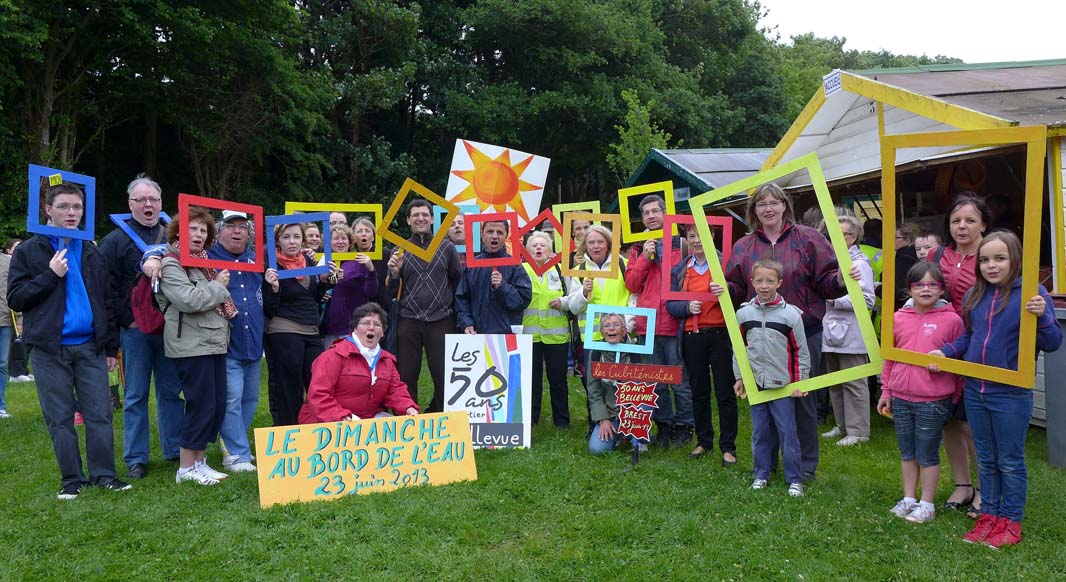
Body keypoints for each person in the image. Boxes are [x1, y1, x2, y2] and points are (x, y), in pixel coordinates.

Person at [931, 231, 1062, 547]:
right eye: (985, 260)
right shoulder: (975, 295)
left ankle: (1010, 522)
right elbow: (969, 337)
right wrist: (946, 352)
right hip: (976, 390)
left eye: (999, 259)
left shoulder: (1033, 294)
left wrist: (1043, 316)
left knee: (1010, 461)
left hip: (1011, 394)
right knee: (987, 459)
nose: (991, 265)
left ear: (1015, 259)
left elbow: (1053, 342)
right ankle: (988, 515)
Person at [721, 183, 852, 482]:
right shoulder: (743, 246)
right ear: (754, 210)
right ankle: (766, 467)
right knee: (765, 401)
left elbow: (826, 280)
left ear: (784, 206)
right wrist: (721, 288)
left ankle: (804, 469)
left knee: (802, 400)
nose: (768, 208)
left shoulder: (809, 238)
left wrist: (842, 281)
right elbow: (736, 289)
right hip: (761, 337)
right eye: (762, 204)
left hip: (805, 333)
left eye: (774, 202)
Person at [7, 182, 130, 498]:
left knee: (100, 414)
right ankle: (72, 480)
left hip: (90, 346)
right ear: (48, 209)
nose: (72, 212)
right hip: (49, 348)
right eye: (64, 206)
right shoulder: (29, 250)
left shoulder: (90, 250)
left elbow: (106, 300)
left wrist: (110, 346)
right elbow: (16, 298)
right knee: (60, 418)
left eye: (77, 207)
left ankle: (105, 476)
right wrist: (50, 274)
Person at [98, 174, 183, 479]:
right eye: (142, 199)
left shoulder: (175, 236)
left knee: (171, 390)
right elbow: (105, 290)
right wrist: (126, 320)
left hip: (170, 327)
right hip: (135, 330)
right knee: (135, 394)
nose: (148, 204)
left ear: (161, 203)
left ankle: (175, 448)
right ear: (130, 204)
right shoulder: (114, 242)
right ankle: (136, 457)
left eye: (153, 199)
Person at [157, 206, 238, 485]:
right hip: (191, 345)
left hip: (213, 342)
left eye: (203, 230)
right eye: (192, 228)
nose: (199, 234)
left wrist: (215, 286)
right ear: (178, 231)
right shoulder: (171, 264)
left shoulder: (204, 263)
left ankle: (200, 462)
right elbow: (188, 300)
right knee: (199, 405)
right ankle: (185, 468)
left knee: (215, 406)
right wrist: (218, 286)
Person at [879, 262, 964, 524]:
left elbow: (960, 360)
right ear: (909, 289)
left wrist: (954, 396)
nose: (925, 289)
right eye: (919, 284)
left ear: (942, 289)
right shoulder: (897, 318)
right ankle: (908, 499)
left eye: (932, 284)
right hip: (901, 396)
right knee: (907, 452)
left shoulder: (952, 320)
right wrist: (886, 391)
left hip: (933, 400)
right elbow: (889, 357)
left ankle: (927, 504)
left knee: (927, 454)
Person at [732, 259, 809, 497]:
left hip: (782, 387)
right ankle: (761, 474)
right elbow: (739, 350)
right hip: (756, 386)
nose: (764, 286)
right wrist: (740, 377)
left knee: (787, 432)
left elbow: (801, 352)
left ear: (779, 283)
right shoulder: (743, 314)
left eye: (770, 281)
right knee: (760, 433)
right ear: (752, 282)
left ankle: (794, 479)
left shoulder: (791, 315)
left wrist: (800, 382)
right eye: (759, 281)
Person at [932, 193, 988, 517]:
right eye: (956, 220)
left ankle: (985, 489)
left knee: (971, 422)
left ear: (984, 224)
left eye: (970, 220)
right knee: (948, 420)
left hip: (976, 346)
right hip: (941, 344)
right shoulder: (939, 254)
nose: (962, 226)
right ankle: (963, 485)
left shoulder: (991, 255)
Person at [665, 224, 737, 465]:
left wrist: (727, 290)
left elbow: (739, 293)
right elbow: (670, 304)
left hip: (720, 335)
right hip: (692, 336)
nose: (696, 240)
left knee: (725, 391)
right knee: (699, 390)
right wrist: (686, 307)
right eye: (691, 236)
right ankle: (704, 441)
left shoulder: (725, 264)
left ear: (712, 236)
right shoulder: (680, 269)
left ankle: (728, 446)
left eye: (701, 235)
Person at [625, 194, 691, 447]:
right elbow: (632, 284)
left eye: (656, 211)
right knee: (655, 381)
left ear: (665, 213)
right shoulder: (637, 248)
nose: (651, 216)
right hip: (648, 323)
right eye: (646, 213)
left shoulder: (681, 245)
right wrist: (645, 256)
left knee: (679, 380)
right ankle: (664, 425)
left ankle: (685, 426)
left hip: (675, 321)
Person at [386, 199, 462, 412]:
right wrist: (394, 274)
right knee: (406, 373)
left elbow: (457, 280)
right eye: (415, 215)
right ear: (408, 220)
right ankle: (408, 415)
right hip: (408, 320)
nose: (421, 218)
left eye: (425, 215)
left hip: (440, 319)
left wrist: (449, 307)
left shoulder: (446, 247)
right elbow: (391, 291)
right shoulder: (399, 249)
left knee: (443, 373)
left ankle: (440, 414)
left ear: (432, 219)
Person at [299, 302, 419, 423]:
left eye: (377, 324)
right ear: (355, 329)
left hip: (366, 418)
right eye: (366, 323)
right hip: (324, 420)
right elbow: (318, 395)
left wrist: (408, 407)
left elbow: (396, 391)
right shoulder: (333, 355)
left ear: (382, 332)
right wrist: (340, 416)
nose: (371, 327)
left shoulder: (387, 360)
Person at [263, 222, 332, 426]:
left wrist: (324, 280)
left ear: (303, 240)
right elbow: (269, 307)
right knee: (289, 384)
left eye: (296, 236)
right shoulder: (272, 265)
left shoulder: (308, 261)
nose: (292, 241)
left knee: (318, 380)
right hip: (283, 330)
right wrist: (273, 288)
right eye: (286, 237)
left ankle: (316, 428)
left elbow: (314, 298)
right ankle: (289, 430)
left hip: (311, 330)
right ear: (277, 240)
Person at [820, 215, 875, 446]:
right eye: (833, 234)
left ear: (853, 237)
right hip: (831, 332)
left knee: (854, 383)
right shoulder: (830, 262)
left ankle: (858, 431)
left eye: (843, 234)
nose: (837, 238)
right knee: (836, 382)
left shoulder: (859, 264)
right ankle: (842, 426)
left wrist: (834, 300)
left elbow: (867, 299)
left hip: (851, 333)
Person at [522, 231, 574, 429]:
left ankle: (562, 420)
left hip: (556, 336)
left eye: (542, 245)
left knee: (558, 380)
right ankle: (531, 419)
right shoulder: (522, 270)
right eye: (534, 245)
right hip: (529, 336)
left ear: (550, 250)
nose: (538, 248)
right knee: (532, 380)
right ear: (528, 251)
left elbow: (574, 296)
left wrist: (563, 302)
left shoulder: (560, 270)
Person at [455, 220, 532, 335]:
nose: (495, 236)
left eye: (500, 232)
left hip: (505, 335)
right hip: (476, 334)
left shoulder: (515, 266)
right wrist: (466, 323)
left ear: (506, 236)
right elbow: (462, 298)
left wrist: (502, 287)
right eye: (490, 231)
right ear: (482, 235)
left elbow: (522, 301)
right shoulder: (472, 266)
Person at [587, 313, 645, 454]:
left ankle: (638, 436)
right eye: (606, 326)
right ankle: (618, 434)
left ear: (624, 330)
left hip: (632, 412)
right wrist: (603, 419)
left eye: (616, 325)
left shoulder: (637, 351)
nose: (611, 329)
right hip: (610, 413)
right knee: (597, 449)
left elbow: (647, 387)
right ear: (602, 332)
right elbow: (594, 391)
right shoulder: (596, 353)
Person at [321, 225, 378, 346]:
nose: (340, 242)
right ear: (329, 243)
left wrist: (371, 269)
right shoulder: (323, 262)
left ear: (350, 242)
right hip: (327, 327)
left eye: (344, 238)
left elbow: (371, 292)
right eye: (336, 238)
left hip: (351, 327)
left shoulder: (358, 261)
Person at [0, 248, 12, 417]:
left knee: (2, 364)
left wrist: (20, 319)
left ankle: (0, 406)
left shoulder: (8, 261)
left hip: (5, 319)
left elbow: (15, 289)